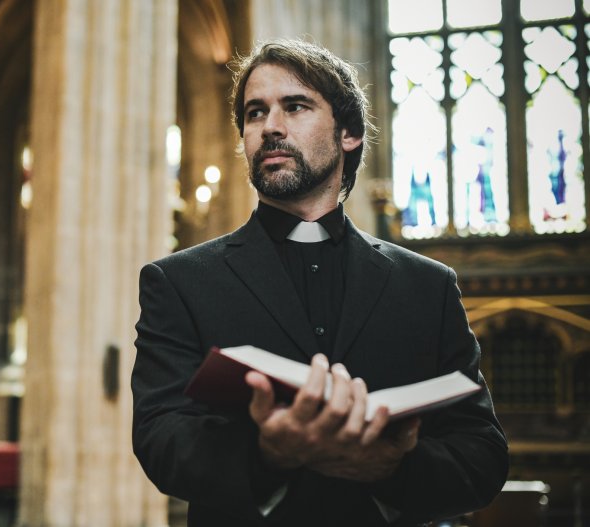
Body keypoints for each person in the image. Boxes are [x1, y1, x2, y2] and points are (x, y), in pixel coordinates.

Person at [132, 38, 508, 526]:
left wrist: (392, 467)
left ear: (348, 133)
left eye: (295, 106)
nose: (270, 127)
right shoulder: (179, 281)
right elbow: (162, 440)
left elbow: (481, 455)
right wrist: (268, 454)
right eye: (254, 113)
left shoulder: (426, 286)